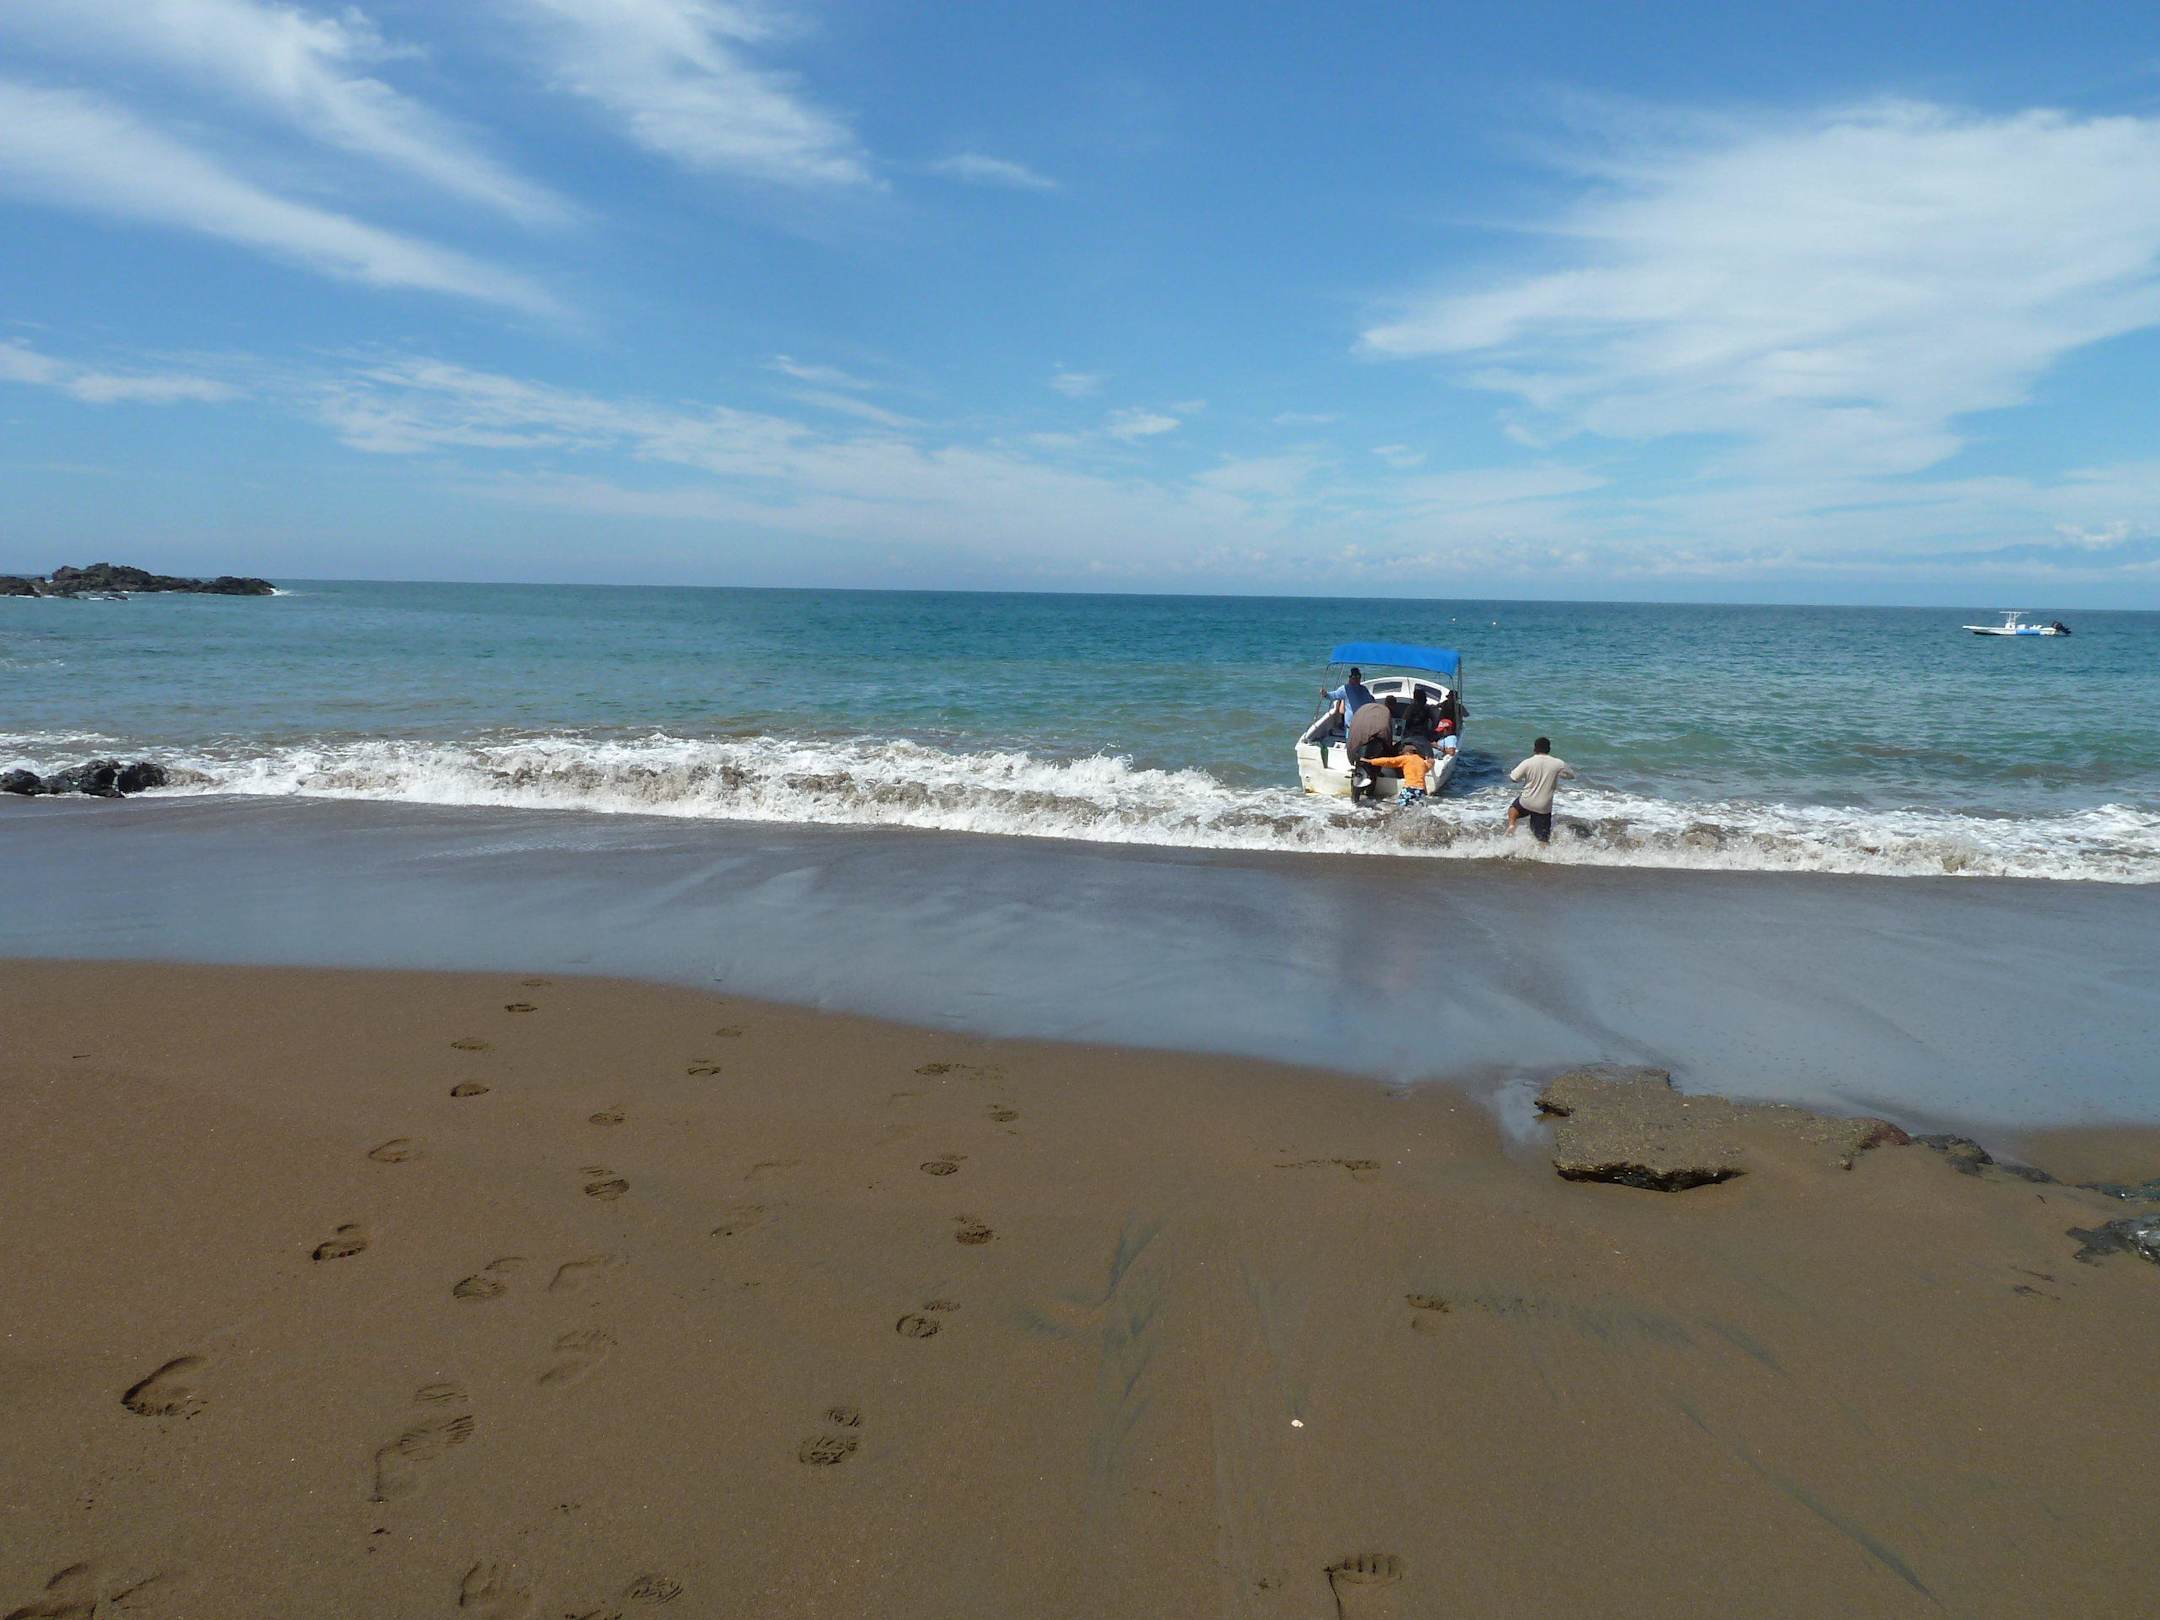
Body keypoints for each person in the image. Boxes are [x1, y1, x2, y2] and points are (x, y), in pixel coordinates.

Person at [1507, 736, 1573, 843]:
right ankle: (1544, 851)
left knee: (1513, 809)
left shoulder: (1528, 762)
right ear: (1549, 749)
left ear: (1535, 749)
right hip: (1543, 806)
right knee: (1542, 839)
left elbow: (1513, 778)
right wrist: (1558, 773)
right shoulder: (1558, 763)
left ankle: (1511, 825)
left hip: (1527, 802)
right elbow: (1571, 776)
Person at [1356, 747, 1437, 805]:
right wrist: (1432, 763)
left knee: (1401, 808)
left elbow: (1389, 761)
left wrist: (1370, 761)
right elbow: (1427, 768)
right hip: (1421, 790)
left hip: (1409, 788)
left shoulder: (1406, 758)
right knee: (1418, 810)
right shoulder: (1421, 761)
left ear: (1407, 753)